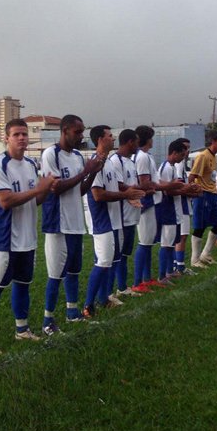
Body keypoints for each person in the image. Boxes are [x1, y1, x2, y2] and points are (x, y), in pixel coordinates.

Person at [0, 119, 55, 353]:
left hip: (27, 236)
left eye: (24, 134)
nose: (22, 138)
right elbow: (5, 201)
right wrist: (38, 189)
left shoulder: (32, 165)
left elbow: (37, 200)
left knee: (23, 284)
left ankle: (22, 330)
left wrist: (47, 190)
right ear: (7, 138)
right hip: (3, 238)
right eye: (16, 134)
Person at [40, 114, 102, 334]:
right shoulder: (51, 154)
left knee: (74, 271)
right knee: (56, 274)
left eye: (82, 131)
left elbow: (81, 191)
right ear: (64, 130)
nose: (81, 136)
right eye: (77, 131)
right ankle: (47, 321)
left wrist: (93, 173)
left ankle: (72, 313)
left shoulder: (76, 156)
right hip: (58, 222)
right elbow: (55, 187)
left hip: (75, 222)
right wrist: (86, 171)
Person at [83, 125, 144, 317]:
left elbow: (118, 184)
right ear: (100, 139)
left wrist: (131, 192)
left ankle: (103, 299)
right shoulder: (95, 163)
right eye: (110, 136)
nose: (113, 138)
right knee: (103, 262)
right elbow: (98, 195)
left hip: (113, 219)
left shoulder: (107, 162)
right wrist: (124, 194)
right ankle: (88, 305)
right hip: (101, 221)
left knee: (109, 261)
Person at [156, 139, 198, 280]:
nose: (183, 156)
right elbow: (167, 191)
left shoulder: (173, 167)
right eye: (181, 154)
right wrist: (186, 189)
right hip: (168, 210)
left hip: (176, 209)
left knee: (172, 242)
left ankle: (170, 270)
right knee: (166, 244)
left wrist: (186, 189)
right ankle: (163, 275)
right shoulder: (166, 167)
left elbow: (175, 187)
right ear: (174, 153)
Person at [107, 129, 143, 297]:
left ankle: (122, 287)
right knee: (118, 254)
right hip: (121, 215)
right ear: (130, 142)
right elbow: (119, 185)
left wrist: (140, 190)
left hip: (132, 212)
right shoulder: (115, 161)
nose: (138, 145)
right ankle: (116, 289)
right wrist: (136, 190)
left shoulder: (130, 161)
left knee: (125, 253)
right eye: (136, 142)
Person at [188, 131, 217, 267]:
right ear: (214, 141)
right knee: (200, 227)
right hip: (203, 195)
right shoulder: (203, 156)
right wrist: (195, 190)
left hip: (212, 194)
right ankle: (195, 259)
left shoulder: (213, 157)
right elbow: (192, 177)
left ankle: (205, 254)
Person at [131, 126, 163, 290]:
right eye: (151, 137)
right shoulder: (142, 157)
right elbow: (144, 182)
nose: (153, 140)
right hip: (146, 202)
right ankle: (137, 282)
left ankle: (147, 277)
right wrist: (161, 186)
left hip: (151, 200)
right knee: (144, 241)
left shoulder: (146, 156)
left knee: (149, 241)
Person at [173, 138, 196, 275]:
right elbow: (179, 185)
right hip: (180, 204)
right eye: (185, 148)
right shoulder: (178, 165)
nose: (187, 151)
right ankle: (179, 266)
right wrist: (193, 190)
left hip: (183, 203)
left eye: (188, 148)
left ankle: (177, 265)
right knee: (182, 235)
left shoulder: (181, 164)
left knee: (181, 235)